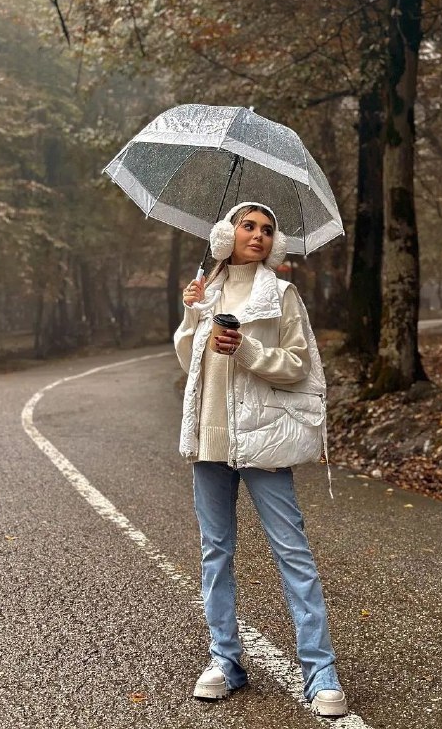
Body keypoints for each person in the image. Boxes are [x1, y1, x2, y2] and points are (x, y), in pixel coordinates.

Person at [173, 202, 348, 718]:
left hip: (263, 440)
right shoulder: (208, 289)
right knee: (215, 552)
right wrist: (192, 313)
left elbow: (298, 366)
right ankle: (225, 661)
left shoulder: (282, 294)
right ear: (226, 234)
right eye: (247, 226)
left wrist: (246, 350)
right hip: (209, 439)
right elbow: (187, 361)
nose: (258, 235)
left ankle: (320, 672)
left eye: (267, 230)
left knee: (293, 553)